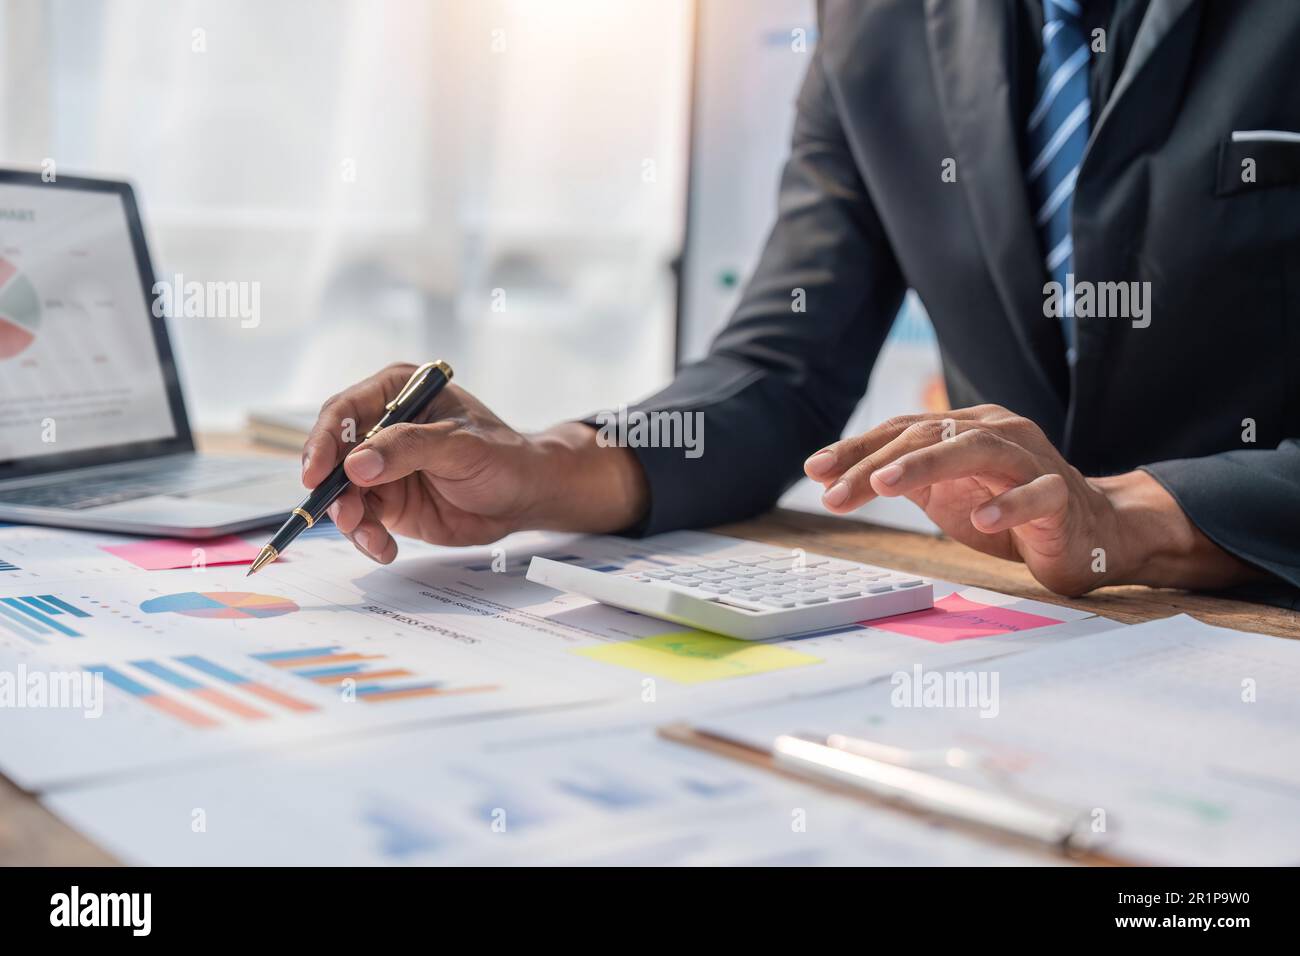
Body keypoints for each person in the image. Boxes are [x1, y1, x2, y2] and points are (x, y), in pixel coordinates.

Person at [301, 0, 1300, 600]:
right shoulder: (877, 22)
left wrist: (1125, 515)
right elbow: (783, 368)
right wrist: (542, 467)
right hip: (1048, 639)